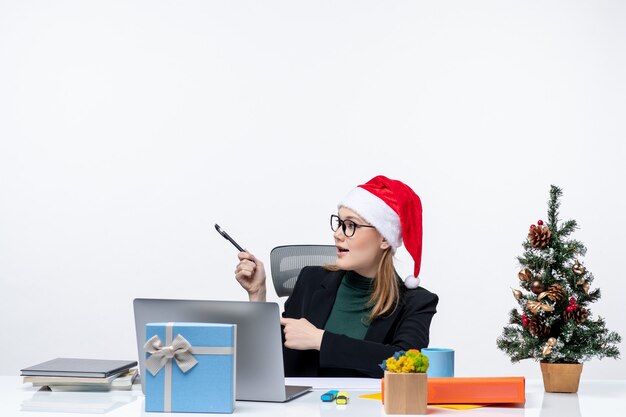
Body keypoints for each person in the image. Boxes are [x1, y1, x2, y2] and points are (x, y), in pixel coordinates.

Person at [234, 175, 438, 378]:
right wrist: (257, 295)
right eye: (340, 223)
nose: (338, 234)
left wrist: (320, 340)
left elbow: (407, 363)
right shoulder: (311, 280)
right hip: (304, 409)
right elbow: (274, 356)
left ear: (384, 238)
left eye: (351, 226)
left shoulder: (416, 302)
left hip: (368, 408)